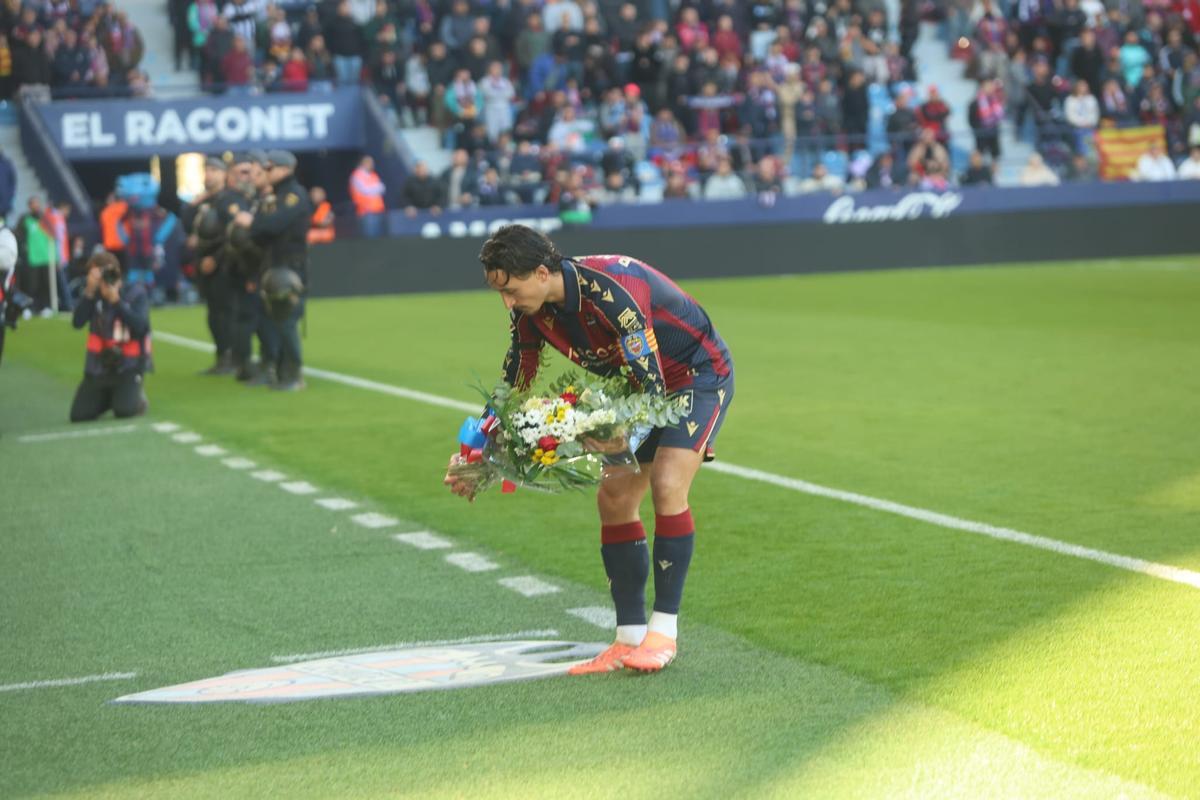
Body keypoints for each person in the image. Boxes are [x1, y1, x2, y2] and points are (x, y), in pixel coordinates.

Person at [444, 224, 735, 674]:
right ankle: (627, 638)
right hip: (638, 387)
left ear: (542, 273)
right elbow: (513, 382)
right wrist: (475, 452)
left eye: (512, 290)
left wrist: (624, 436)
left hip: (696, 377)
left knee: (666, 483)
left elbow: (653, 388)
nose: (508, 302)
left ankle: (663, 633)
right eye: (500, 293)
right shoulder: (529, 311)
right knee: (614, 496)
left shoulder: (614, 293)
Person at [239, 149, 312, 391]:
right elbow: (263, 232)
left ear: (285, 169)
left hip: (290, 266)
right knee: (274, 320)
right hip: (274, 264)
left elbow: (273, 225)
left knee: (286, 319)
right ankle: (281, 372)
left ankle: (294, 374)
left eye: (269, 168)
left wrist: (253, 224)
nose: (266, 172)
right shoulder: (277, 196)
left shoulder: (293, 195)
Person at [69, 250, 151, 422]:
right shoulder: (94, 296)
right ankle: (111, 397)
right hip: (99, 366)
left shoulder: (135, 293)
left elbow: (140, 327)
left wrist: (116, 301)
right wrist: (89, 291)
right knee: (79, 415)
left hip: (128, 365)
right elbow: (77, 323)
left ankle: (134, 397)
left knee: (124, 411)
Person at [181, 156, 240, 375]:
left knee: (227, 312)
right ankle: (221, 356)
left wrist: (215, 258)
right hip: (202, 262)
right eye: (207, 170)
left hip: (224, 263)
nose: (209, 174)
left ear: (224, 174)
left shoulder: (229, 199)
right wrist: (194, 204)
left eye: (214, 170)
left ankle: (234, 357)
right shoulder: (201, 201)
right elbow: (187, 225)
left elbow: (233, 234)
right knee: (213, 313)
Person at [349, 155, 386, 237]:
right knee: (370, 237)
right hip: (366, 212)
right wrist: (375, 188)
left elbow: (382, 188)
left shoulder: (373, 175)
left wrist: (373, 189)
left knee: (380, 237)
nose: (372, 164)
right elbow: (365, 190)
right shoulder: (357, 175)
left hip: (378, 210)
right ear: (363, 163)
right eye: (369, 162)